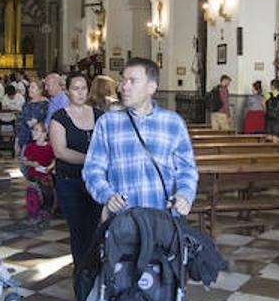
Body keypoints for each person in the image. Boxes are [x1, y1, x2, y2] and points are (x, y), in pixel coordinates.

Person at [83, 57, 197, 217]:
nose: (123, 87)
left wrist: (184, 195)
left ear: (151, 87)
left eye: (132, 81)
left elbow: (187, 169)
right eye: (123, 80)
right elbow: (92, 169)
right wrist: (107, 195)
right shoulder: (107, 123)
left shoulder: (173, 123)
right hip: (123, 221)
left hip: (163, 218)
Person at [50, 72, 105, 262]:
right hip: (69, 181)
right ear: (67, 91)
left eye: (84, 88)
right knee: (78, 227)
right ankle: (81, 270)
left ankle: (94, 270)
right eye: (75, 89)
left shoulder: (100, 115)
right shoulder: (59, 118)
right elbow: (61, 152)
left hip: (95, 181)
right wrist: (92, 159)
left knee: (94, 225)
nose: (80, 93)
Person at [16, 79, 49, 153]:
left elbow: (32, 122)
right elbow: (20, 122)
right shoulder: (26, 104)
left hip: (36, 141)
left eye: (33, 87)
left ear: (40, 90)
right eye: (29, 87)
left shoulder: (44, 104)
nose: (29, 89)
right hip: (23, 139)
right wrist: (17, 139)